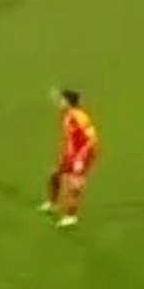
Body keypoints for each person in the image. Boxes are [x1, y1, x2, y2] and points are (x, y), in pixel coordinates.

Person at [41, 88, 100, 228]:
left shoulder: (80, 117)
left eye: (62, 100)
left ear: (68, 102)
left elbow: (92, 139)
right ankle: (53, 203)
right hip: (70, 153)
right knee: (54, 175)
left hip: (82, 154)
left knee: (74, 185)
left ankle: (71, 217)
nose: (60, 102)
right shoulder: (68, 114)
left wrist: (81, 158)